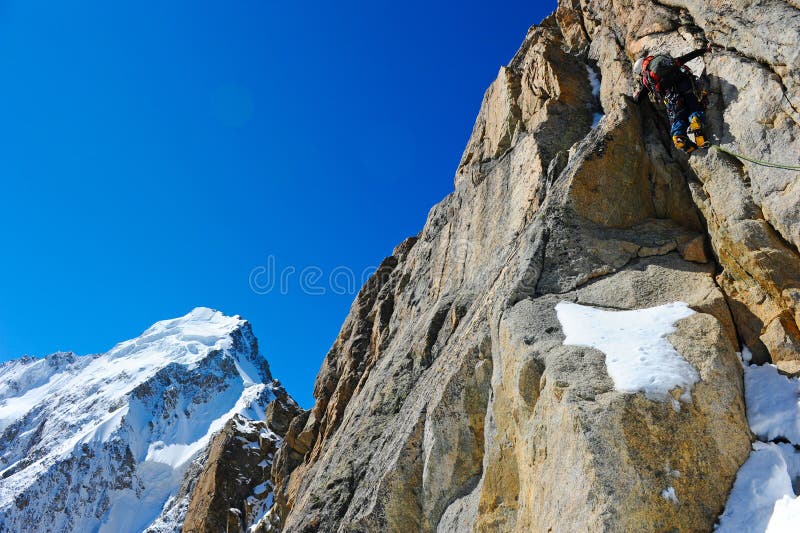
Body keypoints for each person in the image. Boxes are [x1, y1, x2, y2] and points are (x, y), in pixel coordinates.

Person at [633, 43, 713, 154]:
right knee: (694, 107)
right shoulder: (660, 60)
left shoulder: (646, 78)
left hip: (671, 97)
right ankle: (695, 121)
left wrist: (634, 99)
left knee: (678, 117)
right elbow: (684, 58)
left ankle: (678, 135)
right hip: (685, 85)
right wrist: (704, 50)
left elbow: (639, 98)